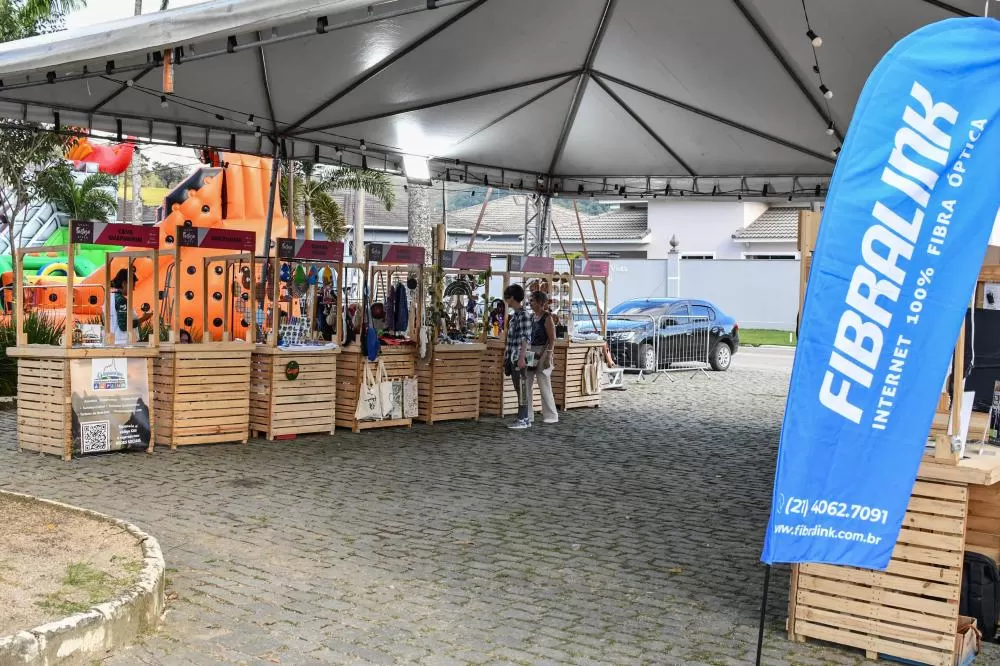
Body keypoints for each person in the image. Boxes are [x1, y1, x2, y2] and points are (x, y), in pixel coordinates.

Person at [526, 291, 558, 424]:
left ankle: (551, 415)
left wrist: (549, 355)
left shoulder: (547, 318)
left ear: (540, 302)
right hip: (530, 351)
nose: (530, 303)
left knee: (544, 383)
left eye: (532, 300)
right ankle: (528, 414)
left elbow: (552, 339)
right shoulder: (532, 317)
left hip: (543, 351)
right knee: (527, 382)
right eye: (530, 300)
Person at [503, 283, 532, 430]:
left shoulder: (523, 315)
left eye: (507, 297)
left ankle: (523, 419)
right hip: (513, 356)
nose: (506, 300)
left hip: (518, 357)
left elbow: (526, 338)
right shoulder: (515, 315)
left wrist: (521, 358)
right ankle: (524, 417)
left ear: (512, 298)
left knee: (521, 388)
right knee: (519, 387)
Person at [110, 268, 152, 346]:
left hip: (114, 341)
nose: (133, 289)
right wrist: (143, 318)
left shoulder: (109, 298)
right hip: (123, 343)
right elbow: (124, 326)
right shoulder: (121, 300)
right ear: (124, 283)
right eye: (132, 285)